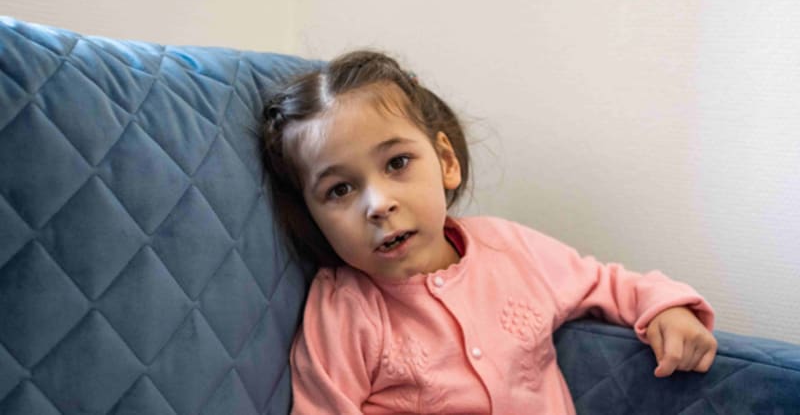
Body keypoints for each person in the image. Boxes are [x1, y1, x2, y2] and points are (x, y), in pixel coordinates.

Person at [260, 50, 717, 414]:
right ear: (313, 216)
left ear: (446, 161)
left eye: (397, 163)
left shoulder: (510, 248)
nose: (378, 204)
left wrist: (666, 307)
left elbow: (609, 283)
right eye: (340, 189)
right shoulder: (345, 308)